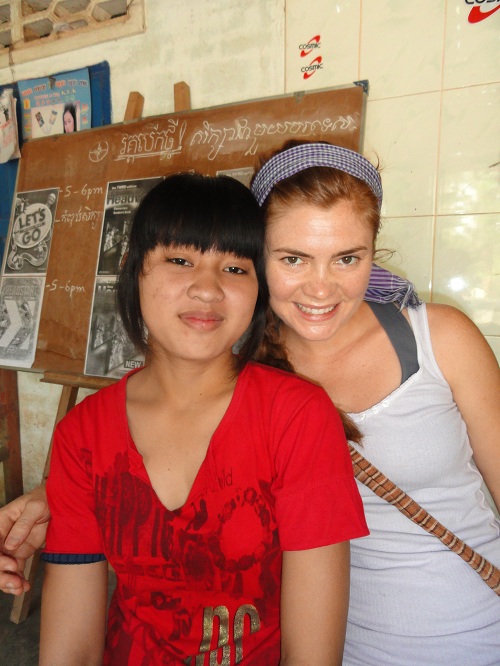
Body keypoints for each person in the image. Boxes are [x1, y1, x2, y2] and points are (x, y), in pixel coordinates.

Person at [2, 142, 499, 663]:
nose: (321, 287)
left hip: (475, 630)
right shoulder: (239, 358)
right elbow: (156, 433)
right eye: (293, 258)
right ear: (261, 258)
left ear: (373, 254)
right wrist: (58, 493)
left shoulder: (435, 340)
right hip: (346, 645)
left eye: (348, 257)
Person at [34, 172, 367, 665]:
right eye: (179, 260)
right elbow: (72, 648)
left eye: (234, 268)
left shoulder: (297, 416)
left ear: (258, 289)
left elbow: (312, 654)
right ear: (133, 269)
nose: (208, 289)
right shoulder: (82, 434)